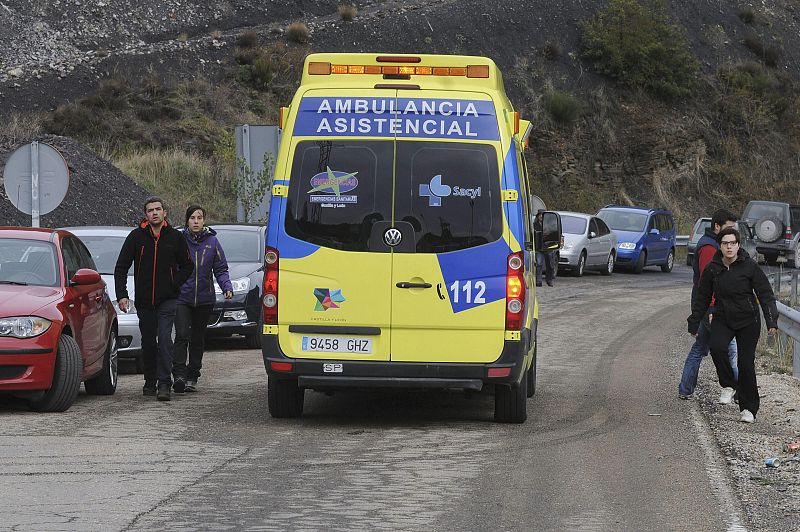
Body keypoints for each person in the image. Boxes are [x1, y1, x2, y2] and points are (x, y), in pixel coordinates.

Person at [688, 227, 778, 423]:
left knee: (745, 364)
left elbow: (765, 294)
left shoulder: (749, 266)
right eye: (725, 243)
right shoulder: (713, 268)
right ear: (720, 246)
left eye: (733, 243)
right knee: (716, 348)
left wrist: (771, 320)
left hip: (748, 320)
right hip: (723, 317)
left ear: (738, 245)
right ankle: (728, 385)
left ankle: (749, 409)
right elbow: (702, 297)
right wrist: (694, 322)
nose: (729, 247)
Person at [115, 197, 193, 401]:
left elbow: (188, 266)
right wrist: (122, 295)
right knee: (149, 342)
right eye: (150, 210)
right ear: (146, 215)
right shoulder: (136, 237)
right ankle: (150, 381)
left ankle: (164, 384)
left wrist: (174, 283)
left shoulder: (175, 237)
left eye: (158, 209)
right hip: (143, 300)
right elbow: (121, 267)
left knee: (165, 340)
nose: (155, 213)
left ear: (164, 213)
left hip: (167, 299)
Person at [679, 209, 740, 402]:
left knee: (700, 348)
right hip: (711, 309)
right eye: (729, 228)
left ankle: (685, 388)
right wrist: (713, 310)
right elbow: (709, 282)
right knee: (731, 349)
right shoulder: (709, 248)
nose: (732, 234)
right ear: (717, 227)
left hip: (711, 308)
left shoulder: (715, 245)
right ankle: (740, 392)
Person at [172, 205, 233, 393]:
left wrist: (227, 287)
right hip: (182, 297)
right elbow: (171, 267)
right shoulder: (179, 240)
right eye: (192, 218)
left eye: (199, 218)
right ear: (187, 221)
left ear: (204, 220)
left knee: (197, 338)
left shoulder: (212, 242)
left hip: (205, 299)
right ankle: (179, 375)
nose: (196, 221)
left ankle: (193, 375)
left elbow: (221, 268)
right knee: (182, 335)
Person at [533, 210, 556, 287]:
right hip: (539, 248)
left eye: (543, 215)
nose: (541, 216)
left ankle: (549, 280)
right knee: (539, 264)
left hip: (548, 247)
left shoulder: (549, 225)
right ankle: (538, 281)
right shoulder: (534, 225)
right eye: (540, 215)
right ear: (537, 216)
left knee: (550, 264)